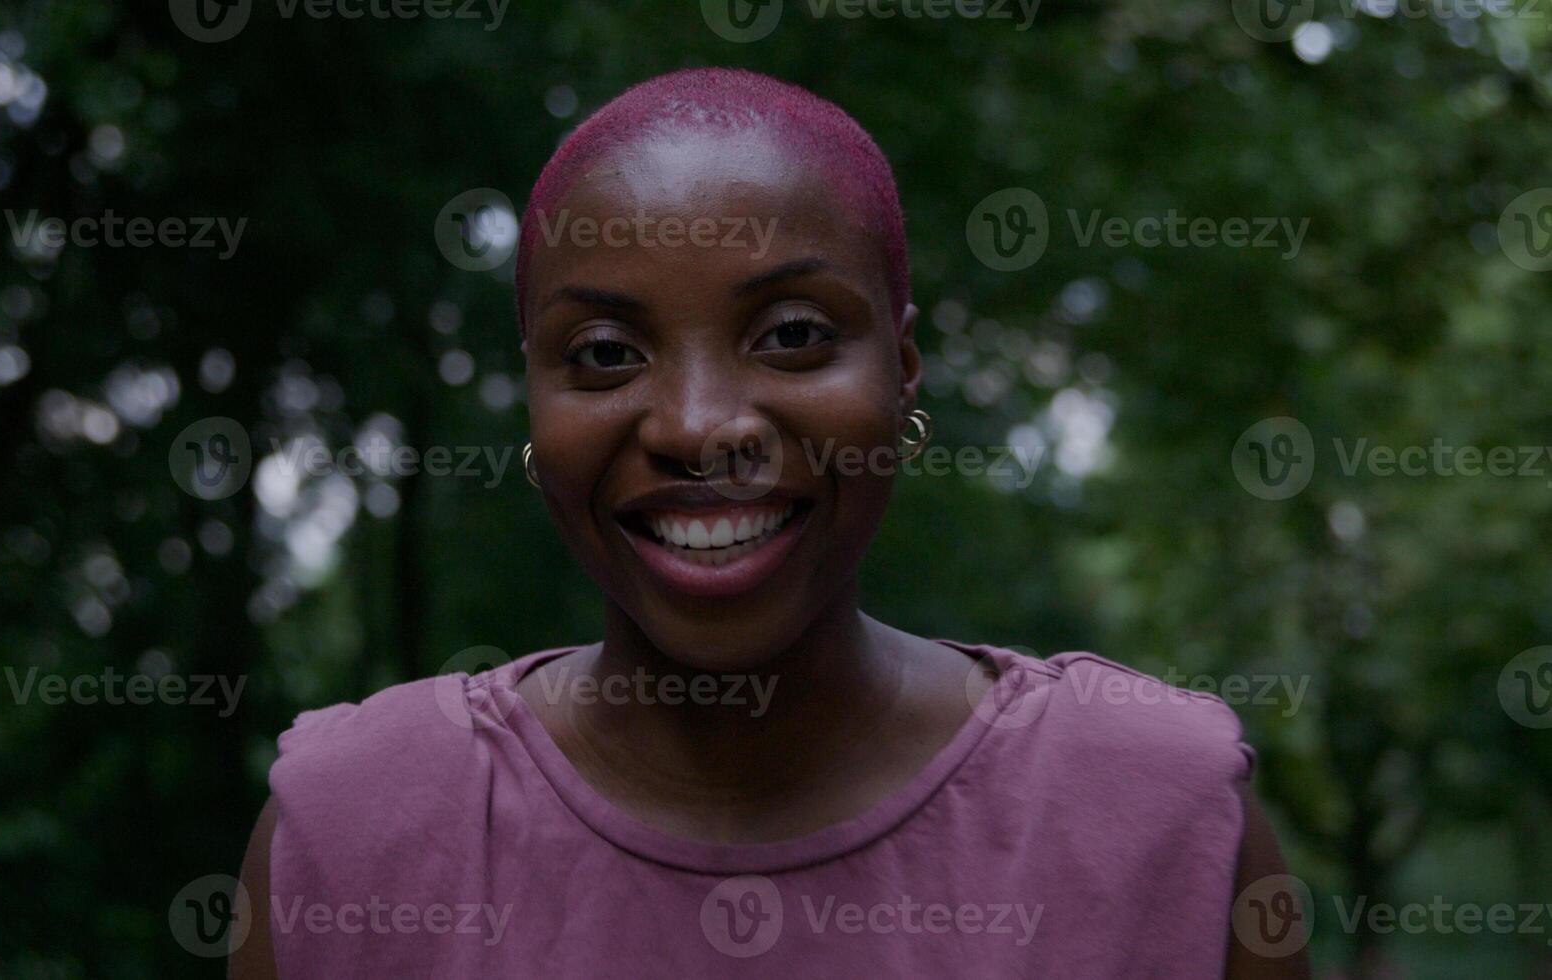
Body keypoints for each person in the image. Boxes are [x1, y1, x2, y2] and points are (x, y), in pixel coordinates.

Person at [230, 67, 1309, 978]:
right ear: (534, 409)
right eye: (603, 353)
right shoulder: (352, 830)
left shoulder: (1157, 813)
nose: (702, 428)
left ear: (902, 370)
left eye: (791, 333)